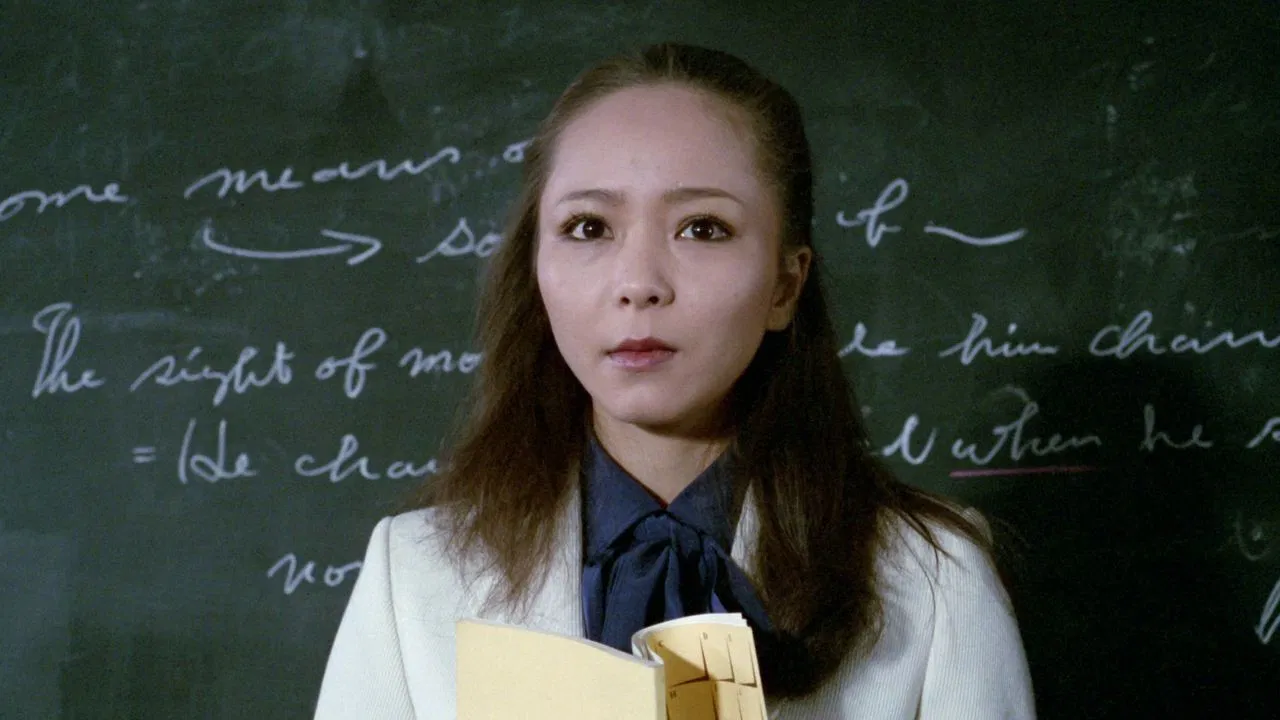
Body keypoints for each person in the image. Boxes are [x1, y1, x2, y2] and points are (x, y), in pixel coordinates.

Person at [314, 43, 1035, 719]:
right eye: (589, 227)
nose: (639, 283)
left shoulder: (933, 579)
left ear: (786, 284)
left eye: (703, 228)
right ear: (535, 268)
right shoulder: (412, 575)